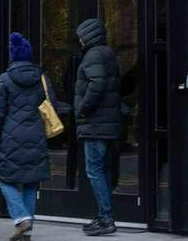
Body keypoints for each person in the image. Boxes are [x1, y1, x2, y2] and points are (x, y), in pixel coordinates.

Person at [0, 32, 49, 240]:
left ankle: (21, 218)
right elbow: (48, 103)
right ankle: (26, 231)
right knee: (30, 182)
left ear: (12, 56)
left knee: (5, 180)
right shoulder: (40, 77)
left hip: (11, 137)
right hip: (36, 135)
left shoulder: (5, 78)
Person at [73, 17, 123, 237]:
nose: (80, 40)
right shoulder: (107, 53)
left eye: (81, 36)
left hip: (95, 123)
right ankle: (103, 216)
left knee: (95, 170)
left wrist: (83, 109)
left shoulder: (93, 55)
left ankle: (105, 218)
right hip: (105, 122)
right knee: (102, 169)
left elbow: (97, 84)